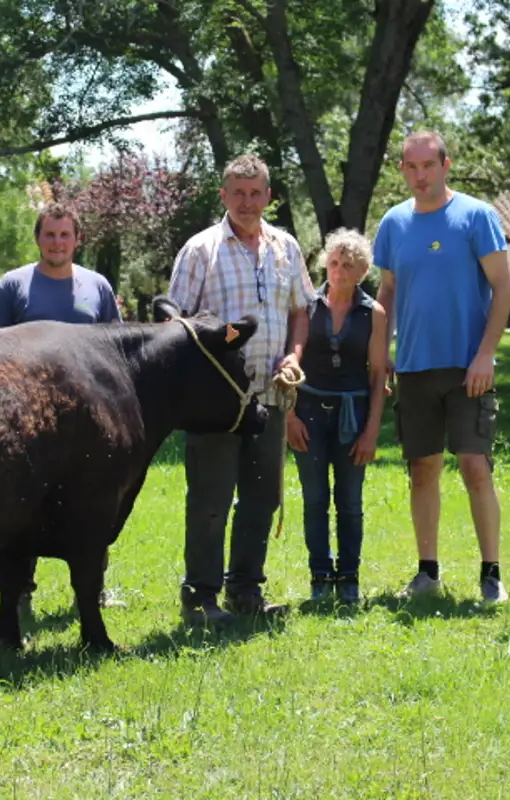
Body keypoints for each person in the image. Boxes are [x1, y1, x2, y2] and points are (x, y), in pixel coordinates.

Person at [167, 153, 315, 625]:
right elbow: (175, 325)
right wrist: (220, 350)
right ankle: (201, 597)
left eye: (256, 193)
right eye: (238, 192)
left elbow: (300, 310)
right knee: (211, 500)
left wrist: (293, 356)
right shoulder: (201, 250)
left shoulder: (285, 248)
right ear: (223, 196)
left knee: (261, 498)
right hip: (217, 403)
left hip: (271, 397)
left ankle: (246, 591)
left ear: (268, 196)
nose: (247, 202)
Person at [372, 131, 510, 605]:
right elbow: (387, 292)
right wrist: (383, 345)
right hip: (413, 367)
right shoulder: (393, 224)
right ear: (402, 171)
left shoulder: (476, 216)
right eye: (410, 167)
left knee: (475, 466)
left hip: (467, 367)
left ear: (445, 166)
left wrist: (486, 354)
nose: (420, 175)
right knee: (423, 468)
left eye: (428, 165)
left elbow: (503, 288)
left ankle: (491, 574)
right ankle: (427, 572)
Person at [0, 201, 123, 616]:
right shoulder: (13, 286)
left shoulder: (97, 287)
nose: (57, 242)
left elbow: (115, 351)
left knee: (92, 503)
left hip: (87, 424)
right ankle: (19, 592)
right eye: (49, 235)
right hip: (27, 420)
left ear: (77, 239)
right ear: (38, 238)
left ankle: (93, 591)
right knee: (21, 508)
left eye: (65, 235)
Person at [285, 229, 388, 604]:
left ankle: (348, 577)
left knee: (349, 500)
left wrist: (372, 429)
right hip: (308, 411)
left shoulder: (373, 313)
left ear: (362, 271)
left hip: (353, 414)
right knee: (314, 499)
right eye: (333, 263)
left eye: (348, 265)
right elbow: (288, 367)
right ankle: (318, 576)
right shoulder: (306, 307)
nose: (339, 271)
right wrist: (289, 417)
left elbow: (378, 374)